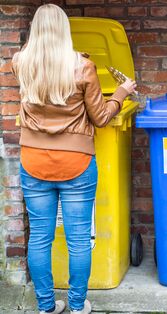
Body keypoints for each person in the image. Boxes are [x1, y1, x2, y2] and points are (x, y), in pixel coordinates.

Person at [12, 4, 136, 314]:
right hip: (76, 163)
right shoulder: (82, 67)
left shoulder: (20, 63)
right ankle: (78, 306)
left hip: (33, 161)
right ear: (65, 31)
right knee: (78, 238)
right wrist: (121, 92)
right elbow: (101, 118)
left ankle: (45, 306)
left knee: (40, 237)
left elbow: (36, 58)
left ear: (35, 31)